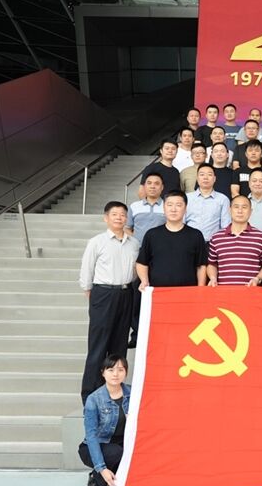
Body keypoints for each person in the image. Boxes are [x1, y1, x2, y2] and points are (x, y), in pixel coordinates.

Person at [79, 201, 138, 404]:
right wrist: (90, 291)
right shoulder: (97, 242)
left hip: (126, 293)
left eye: (123, 214)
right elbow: (87, 269)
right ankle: (90, 395)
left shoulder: (134, 243)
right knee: (98, 346)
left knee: (119, 347)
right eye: (115, 214)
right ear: (106, 218)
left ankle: (115, 393)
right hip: (103, 293)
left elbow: (135, 272)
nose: (119, 218)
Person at [79, 354, 130, 486]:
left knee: (129, 454)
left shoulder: (133, 394)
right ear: (103, 372)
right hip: (96, 445)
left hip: (123, 443)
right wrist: (101, 469)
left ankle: (107, 476)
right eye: (111, 370)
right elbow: (91, 436)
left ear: (126, 372)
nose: (115, 374)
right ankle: (96, 477)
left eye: (120, 370)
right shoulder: (94, 399)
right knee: (117, 452)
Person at [136, 190, 208, 290]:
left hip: (187, 292)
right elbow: (142, 262)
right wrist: (144, 281)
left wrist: (200, 290)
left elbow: (201, 266)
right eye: (169, 205)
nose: (173, 209)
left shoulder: (196, 235)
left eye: (178, 205)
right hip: (158, 292)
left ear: (185, 209)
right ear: (164, 208)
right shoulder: (152, 234)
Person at [124, 173, 165, 348]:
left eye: (157, 183)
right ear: (144, 186)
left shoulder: (167, 206)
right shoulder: (134, 206)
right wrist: (137, 241)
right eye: (149, 183)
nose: (153, 186)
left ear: (162, 187)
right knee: (137, 294)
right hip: (139, 255)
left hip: (161, 255)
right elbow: (127, 228)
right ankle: (137, 334)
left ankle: (157, 332)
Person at [207, 195, 262, 286]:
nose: (240, 211)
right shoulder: (216, 237)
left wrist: (258, 278)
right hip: (224, 291)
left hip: (250, 291)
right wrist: (213, 278)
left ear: (251, 211)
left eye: (244, 207)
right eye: (236, 207)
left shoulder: (261, 237)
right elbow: (212, 264)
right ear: (230, 210)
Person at [184, 163, 231, 242]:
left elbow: (225, 226)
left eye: (209, 174)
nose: (205, 178)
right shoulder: (187, 198)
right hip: (189, 242)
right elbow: (181, 222)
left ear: (214, 178)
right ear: (197, 178)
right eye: (202, 174)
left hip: (213, 243)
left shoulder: (223, 199)